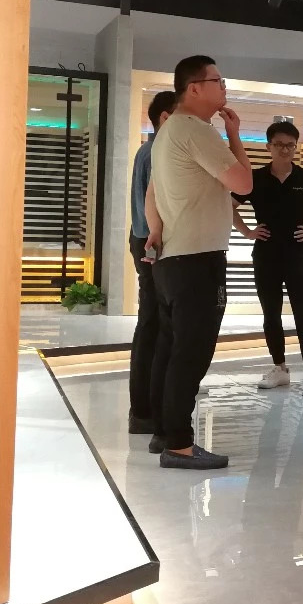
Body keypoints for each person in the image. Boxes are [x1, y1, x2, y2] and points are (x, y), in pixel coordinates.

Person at [145, 55, 253, 470]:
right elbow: (243, 184)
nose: (224, 87)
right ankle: (180, 445)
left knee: (171, 349)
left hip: (173, 258)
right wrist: (235, 136)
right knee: (191, 355)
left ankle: (164, 433)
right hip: (197, 261)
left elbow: (153, 194)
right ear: (194, 88)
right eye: (218, 81)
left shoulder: (167, 131)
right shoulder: (195, 129)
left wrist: (156, 231)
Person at [233, 121, 303, 398]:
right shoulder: (255, 178)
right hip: (265, 255)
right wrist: (247, 231)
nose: (285, 150)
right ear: (268, 146)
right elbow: (228, 205)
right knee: (271, 315)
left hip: (296, 256)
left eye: (290, 145)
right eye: (279, 145)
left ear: (296, 147)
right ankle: (280, 368)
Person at [126, 89, 176, 435]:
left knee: (152, 325)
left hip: (144, 243)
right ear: (165, 118)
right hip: (152, 247)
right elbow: (153, 212)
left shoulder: (148, 149)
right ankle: (145, 409)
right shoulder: (157, 152)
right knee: (154, 326)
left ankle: (146, 406)